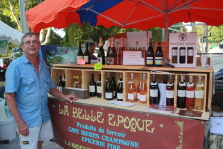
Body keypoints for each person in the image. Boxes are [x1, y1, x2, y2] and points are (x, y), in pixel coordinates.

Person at [5, 32, 77, 149]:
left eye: (34, 42)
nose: (31, 45)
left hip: (44, 116)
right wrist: (19, 122)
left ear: (39, 45)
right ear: (23, 47)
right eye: (28, 42)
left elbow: (50, 88)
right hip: (27, 119)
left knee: (39, 143)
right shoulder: (15, 66)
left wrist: (64, 96)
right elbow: (9, 96)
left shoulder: (43, 63)